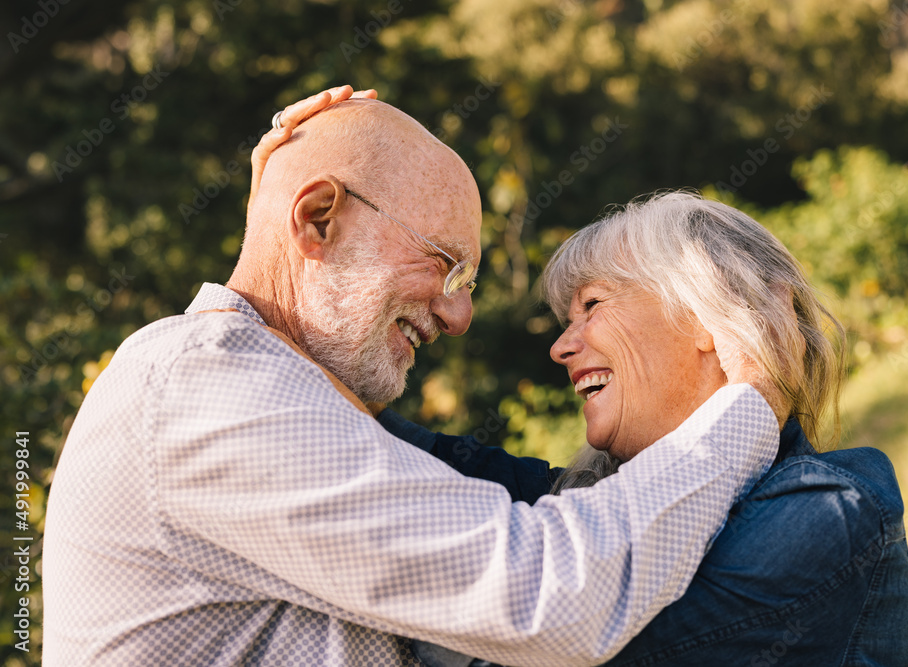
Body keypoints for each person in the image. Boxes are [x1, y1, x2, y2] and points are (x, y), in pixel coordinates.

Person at [42, 88, 791, 666]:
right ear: (321, 220)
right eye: (444, 263)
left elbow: (283, 303)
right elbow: (549, 591)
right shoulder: (204, 388)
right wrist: (751, 402)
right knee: (845, 511)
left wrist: (279, 220)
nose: (459, 314)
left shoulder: (235, 378)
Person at [377, 193, 908, 665]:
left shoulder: (829, 508)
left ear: (710, 313)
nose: (561, 347)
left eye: (592, 305)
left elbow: (545, 652)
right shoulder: (596, 500)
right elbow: (381, 442)